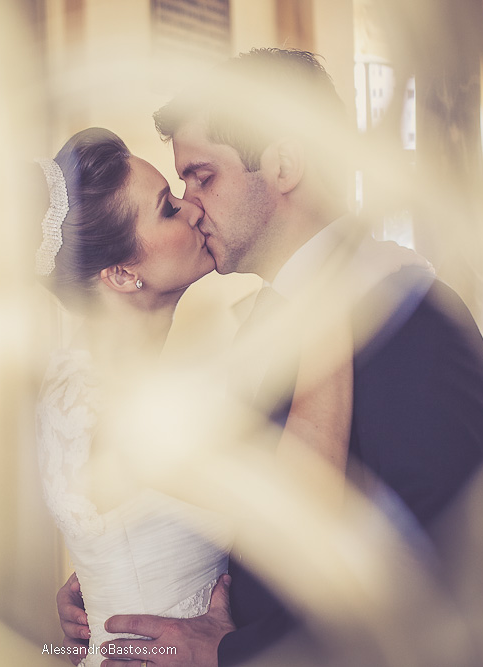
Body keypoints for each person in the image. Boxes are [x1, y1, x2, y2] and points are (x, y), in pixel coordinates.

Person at [56, 49, 483, 666]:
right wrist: (112, 585)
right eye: (180, 186)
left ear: (285, 165)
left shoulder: (416, 320)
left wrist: (235, 652)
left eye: (202, 176)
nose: (191, 204)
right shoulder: (262, 324)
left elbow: (438, 585)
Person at [35, 127, 354, 667]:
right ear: (119, 273)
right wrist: (329, 298)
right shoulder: (127, 404)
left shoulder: (79, 378)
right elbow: (302, 502)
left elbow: (124, 521)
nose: (192, 208)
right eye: (166, 209)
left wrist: (102, 579)